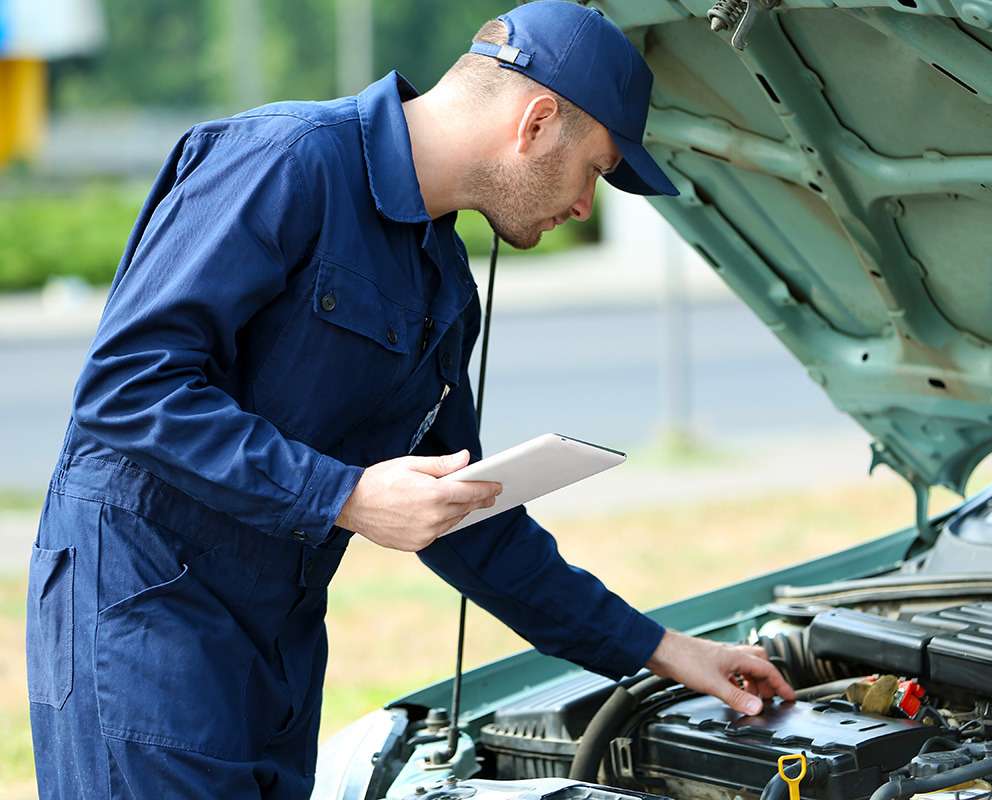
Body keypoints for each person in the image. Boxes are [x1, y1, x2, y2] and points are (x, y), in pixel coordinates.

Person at [24, 2, 795, 797]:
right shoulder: (285, 160)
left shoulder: (445, 287)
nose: (583, 206)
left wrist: (664, 649)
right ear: (534, 123)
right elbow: (127, 385)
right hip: (144, 631)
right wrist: (346, 494)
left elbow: (474, 523)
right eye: (594, 170)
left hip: (276, 655)